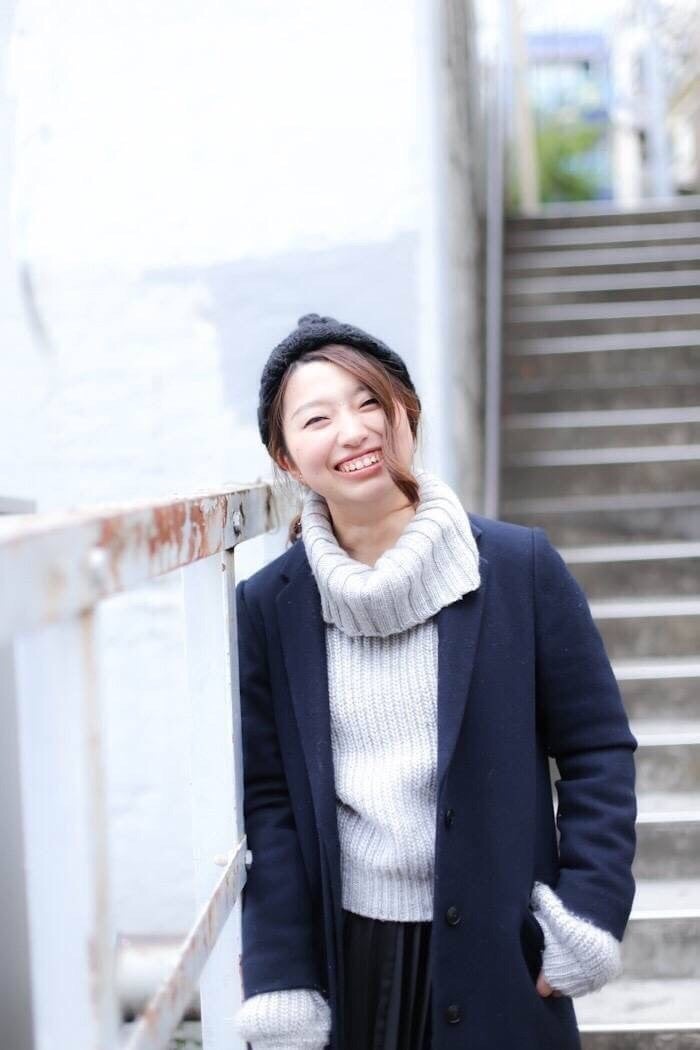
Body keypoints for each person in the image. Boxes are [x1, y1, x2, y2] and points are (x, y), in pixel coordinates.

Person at [232, 313, 638, 1050]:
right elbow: (269, 803)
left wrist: (590, 905)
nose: (353, 431)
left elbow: (596, 748)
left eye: (369, 402)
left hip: (501, 948)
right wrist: (280, 972)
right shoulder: (269, 607)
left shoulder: (519, 568)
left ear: (406, 413)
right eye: (317, 419)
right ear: (286, 458)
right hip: (349, 957)